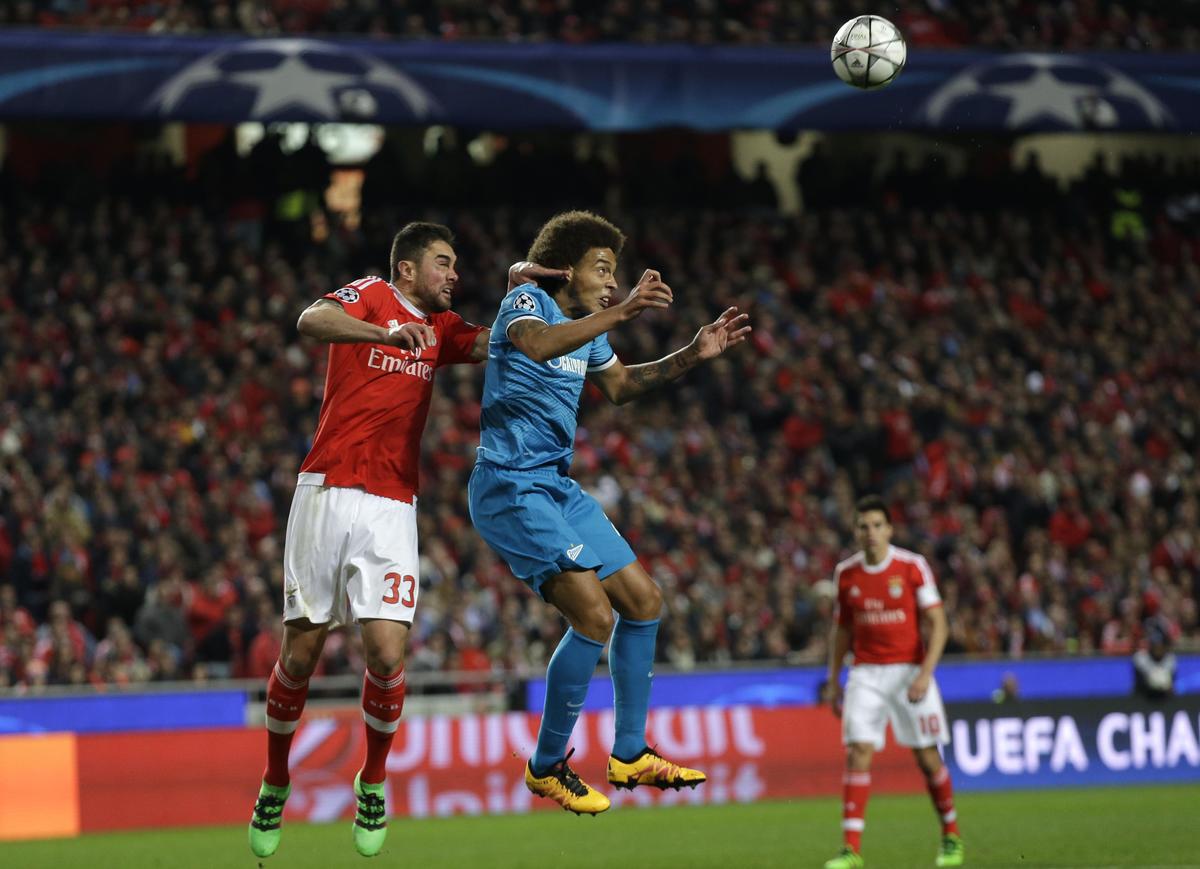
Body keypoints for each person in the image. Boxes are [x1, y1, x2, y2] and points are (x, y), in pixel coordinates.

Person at [248, 222, 560, 858]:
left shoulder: (442, 329)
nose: (454, 274)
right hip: (327, 489)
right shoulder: (372, 295)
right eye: (444, 262)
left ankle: (373, 779)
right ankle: (275, 780)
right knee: (300, 656)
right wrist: (382, 333)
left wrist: (520, 297)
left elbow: (501, 343)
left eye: (456, 264)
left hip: (392, 503)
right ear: (408, 269)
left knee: (389, 655)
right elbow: (311, 320)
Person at [467, 210, 751, 814]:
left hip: (556, 486)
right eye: (602, 269)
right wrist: (621, 313)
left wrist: (693, 354)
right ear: (566, 269)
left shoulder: (588, 331)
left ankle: (629, 752)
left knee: (644, 602)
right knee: (594, 616)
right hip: (509, 485)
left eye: (614, 274)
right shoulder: (526, 303)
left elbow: (620, 387)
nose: (611, 283)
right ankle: (546, 766)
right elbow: (536, 345)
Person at [821, 495, 964, 869]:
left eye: (876, 525)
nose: (870, 532)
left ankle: (951, 835)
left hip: (910, 672)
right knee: (857, 752)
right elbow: (841, 630)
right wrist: (834, 679)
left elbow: (938, 623)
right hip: (865, 673)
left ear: (889, 529)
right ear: (855, 531)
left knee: (927, 758)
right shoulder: (846, 574)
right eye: (863, 526)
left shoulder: (912, 566)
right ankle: (851, 850)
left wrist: (925, 673)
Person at [1132, 623, 1177, 700]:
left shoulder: (1170, 659)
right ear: (1151, 646)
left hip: (1165, 697)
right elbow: (1139, 684)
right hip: (1144, 697)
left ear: (1164, 647)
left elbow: (1172, 682)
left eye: (1160, 646)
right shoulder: (1140, 658)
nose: (1158, 649)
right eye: (1155, 646)